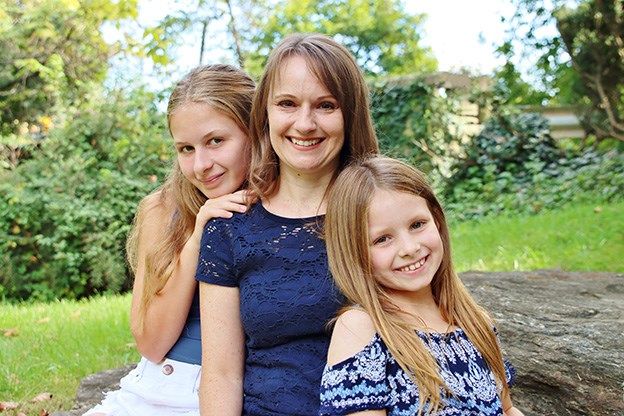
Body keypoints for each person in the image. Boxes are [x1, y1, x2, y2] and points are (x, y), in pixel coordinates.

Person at [195, 33, 379, 415]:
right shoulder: (230, 227)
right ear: (265, 112)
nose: (305, 123)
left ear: (351, 114)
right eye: (287, 104)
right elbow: (221, 374)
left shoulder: (381, 210)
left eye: (326, 105)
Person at [83, 64, 255, 416]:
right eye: (186, 149)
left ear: (254, 131)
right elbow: (151, 342)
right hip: (156, 389)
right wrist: (197, 241)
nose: (201, 165)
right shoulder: (163, 209)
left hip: (238, 395)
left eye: (215, 141)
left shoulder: (288, 206)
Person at [319, 155, 524, 416]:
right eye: (382, 239)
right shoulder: (363, 328)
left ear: (437, 220)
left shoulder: (477, 323)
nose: (410, 248)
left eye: (417, 225)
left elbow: (507, 408)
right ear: (355, 252)